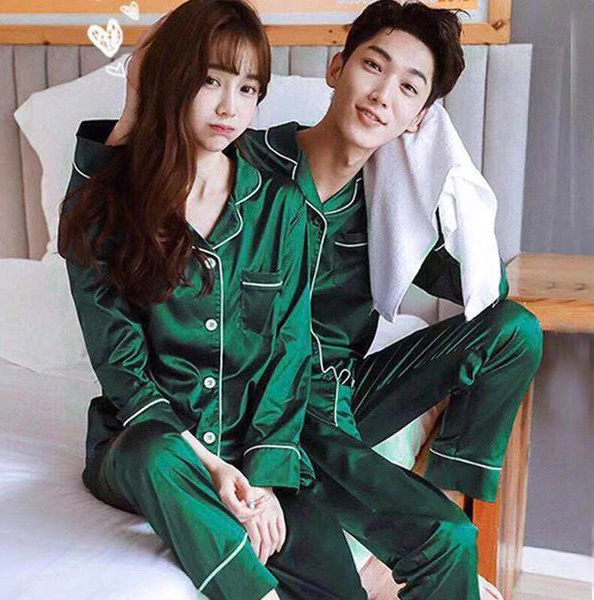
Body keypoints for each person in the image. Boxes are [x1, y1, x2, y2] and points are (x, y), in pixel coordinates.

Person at [67, 1, 544, 598]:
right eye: (373, 67)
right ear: (336, 67)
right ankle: (379, 546)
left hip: (340, 391)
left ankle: (437, 500)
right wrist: (140, 100)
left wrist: (444, 182)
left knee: (514, 331)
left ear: (420, 114)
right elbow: (116, 201)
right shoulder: (240, 156)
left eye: (409, 89)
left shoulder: (393, 210)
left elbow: (483, 292)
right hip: (253, 401)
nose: (382, 96)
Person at [58, 1, 369, 599]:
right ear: (173, 80)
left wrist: (263, 479)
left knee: (336, 584)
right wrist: (136, 97)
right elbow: (120, 364)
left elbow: (288, 351)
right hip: (149, 448)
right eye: (210, 81)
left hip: (253, 450)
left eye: (248, 89)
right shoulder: (113, 207)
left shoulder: (281, 207)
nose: (230, 107)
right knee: (155, 456)